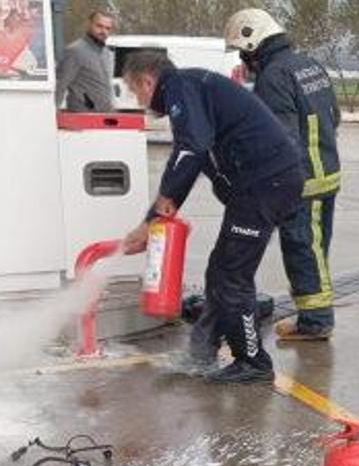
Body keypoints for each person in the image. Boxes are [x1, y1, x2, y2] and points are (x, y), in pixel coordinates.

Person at [119, 52, 305, 384]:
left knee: (232, 276)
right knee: (221, 272)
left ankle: (253, 363)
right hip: (259, 185)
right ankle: (202, 352)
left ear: (148, 81)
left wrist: (153, 219)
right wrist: (153, 216)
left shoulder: (179, 88)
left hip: (266, 184)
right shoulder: (189, 87)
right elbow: (185, 155)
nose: (140, 100)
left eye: (136, 91)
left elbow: (193, 149)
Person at [226, 9, 342, 341]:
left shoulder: (273, 76)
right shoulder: (309, 65)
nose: (244, 60)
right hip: (326, 171)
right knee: (315, 248)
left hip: (303, 182)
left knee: (302, 247)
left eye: (243, 52)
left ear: (254, 44)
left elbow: (279, 138)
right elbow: (332, 116)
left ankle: (316, 321)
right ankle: (314, 314)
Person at [54, 10, 115, 112]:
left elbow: (107, 85)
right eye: (99, 26)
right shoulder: (75, 51)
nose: (103, 31)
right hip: (82, 115)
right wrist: (52, 114)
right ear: (89, 24)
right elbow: (60, 85)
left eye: (107, 28)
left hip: (105, 115)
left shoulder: (107, 53)